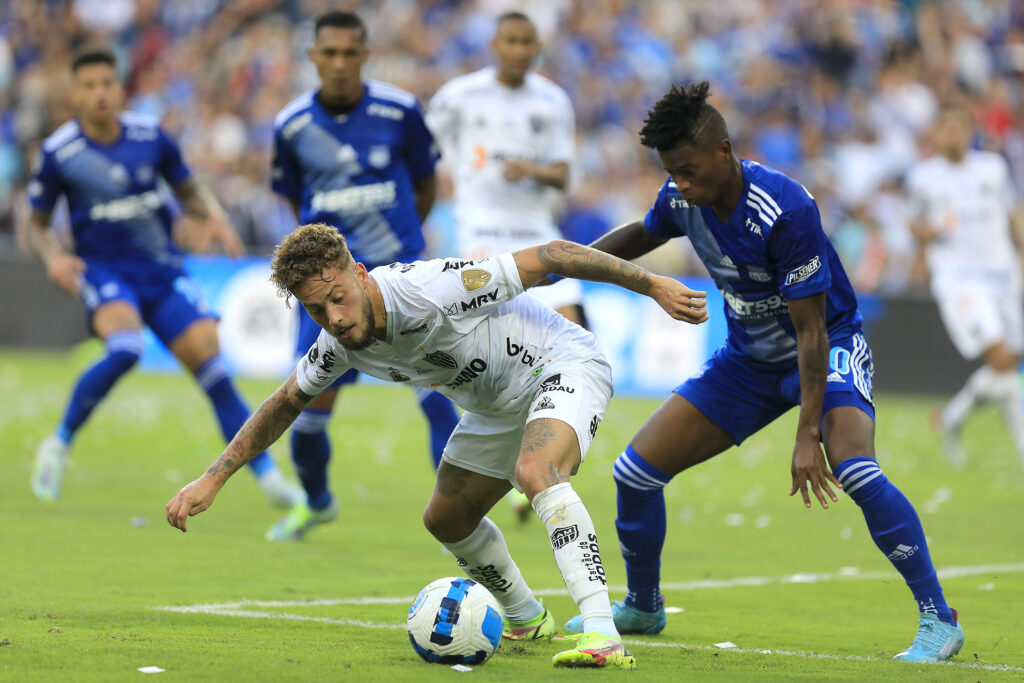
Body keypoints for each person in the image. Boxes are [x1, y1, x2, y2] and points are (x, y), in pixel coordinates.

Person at [167, 223, 710, 669]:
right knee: (447, 519)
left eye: (337, 297)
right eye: (316, 310)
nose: (334, 316)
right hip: (496, 406)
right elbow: (285, 402)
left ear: (358, 274)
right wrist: (212, 478)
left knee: (537, 470)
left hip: (561, 362)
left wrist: (653, 285)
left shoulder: (430, 288)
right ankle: (526, 617)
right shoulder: (339, 344)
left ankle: (601, 632)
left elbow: (551, 255)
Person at [562, 82, 965, 664]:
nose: (681, 184)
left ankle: (938, 619)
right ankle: (643, 606)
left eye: (690, 170)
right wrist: (570, 261)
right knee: (636, 473)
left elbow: (812, 332)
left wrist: (807, 436)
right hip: (749, 359)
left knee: (854, 467)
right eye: (672, 172)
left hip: (826, 348)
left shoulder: (785, 209)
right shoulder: (682, 200)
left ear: (724, 152)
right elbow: (641, 234)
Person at [25, 46, 302, 508]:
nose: (99, 93)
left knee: (213, 371)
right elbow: (34, 227)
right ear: (74, 93)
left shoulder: (150, 136)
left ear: (119, 87)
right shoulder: (60, 153)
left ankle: (271, 479)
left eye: (107, 84)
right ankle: (58, 444)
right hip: (107, 271)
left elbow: (189, 192)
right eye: (89, 85)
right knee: (126, 349)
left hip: (163, 270)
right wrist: (53, 256)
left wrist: (213, 217)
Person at [268, 10, 460, 541]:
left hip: (398, 281)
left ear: (364, 54)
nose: (339, 64)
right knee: (304, 412)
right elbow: (291, 200)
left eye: (350, 53)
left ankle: (464, 512)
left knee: (439, 394)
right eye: (328, 53)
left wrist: (399, 249)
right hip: (326, 290)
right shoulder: (292, 126)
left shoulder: (399, 111)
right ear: (313, 56)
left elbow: (426, 186)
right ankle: (317, 501)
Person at [426, 11, 584, 522]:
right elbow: (422, 153)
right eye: (511, 40)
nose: (519, 50)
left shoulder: (552, 100)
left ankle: (542, 467)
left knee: (576, 345)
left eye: (527, 43)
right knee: (482, 355)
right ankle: (499, 467)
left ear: (537, 47)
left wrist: (530, 169)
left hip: (538, 236)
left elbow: (563, 175)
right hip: (480, 238)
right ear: (496, 43)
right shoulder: (458, 95)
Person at [906, 102, 1024, 468]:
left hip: (1002, 272)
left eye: (960, 128)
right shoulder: (923, 178)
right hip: (960, 280)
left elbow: (1012, 215)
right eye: (947, 129)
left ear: (971, 132)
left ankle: (952, 418)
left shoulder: (993, 168)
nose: (953, 135)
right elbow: (913, 226)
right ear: (937, 135)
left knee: (1010, 362)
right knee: (1001, 357)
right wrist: (927, 231)